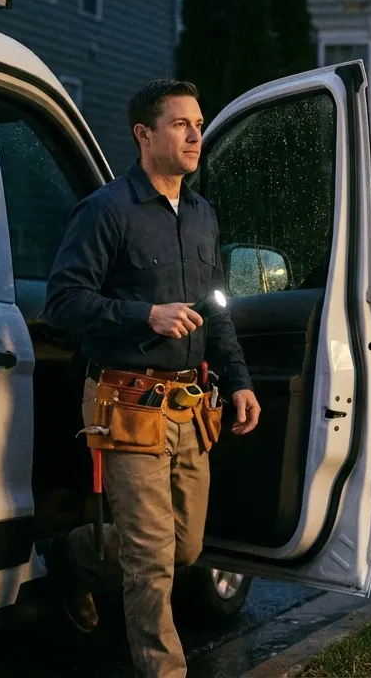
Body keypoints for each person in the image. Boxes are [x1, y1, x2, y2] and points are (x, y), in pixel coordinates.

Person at [40, 79, 262, 677]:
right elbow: (62, 302)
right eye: (181, 124)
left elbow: (216, 308)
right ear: (144, 134)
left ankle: (75, 555)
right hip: (126, 401)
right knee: (151, 557)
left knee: (184, 547)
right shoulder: (106, 211)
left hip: (191, 403)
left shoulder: (202, 214)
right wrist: (146, 315)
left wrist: (238, 380)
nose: (196, 135)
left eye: (198, 123)